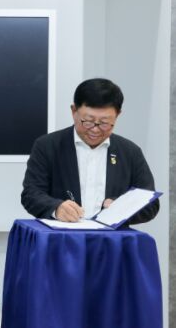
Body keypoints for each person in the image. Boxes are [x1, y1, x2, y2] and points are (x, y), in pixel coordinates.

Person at [21, 78, 158, 224]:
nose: (95, 129)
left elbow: (151, 204)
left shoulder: (130, 152)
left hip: (111, 237)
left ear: (117, 115)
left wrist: (122, 207)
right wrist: (56, 208)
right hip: (62, 235)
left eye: (104, 123)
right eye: (88, 121)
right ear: (74, 111)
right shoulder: (48, 146)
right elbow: (31, 194)